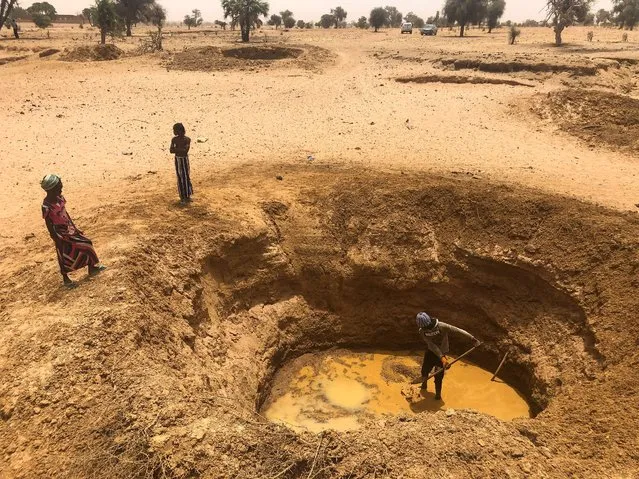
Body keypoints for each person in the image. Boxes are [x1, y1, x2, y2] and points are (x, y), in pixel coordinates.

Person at [41, 174, 106, 287]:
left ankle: (92, 267)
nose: (61, 188)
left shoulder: (59, 198)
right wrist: (55, 237)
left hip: (68, 228)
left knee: (86, 243)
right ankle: (66, 279)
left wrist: (75, 228)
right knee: (63, 253)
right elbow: (48, 222)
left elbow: (66, 214)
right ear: (52, 189)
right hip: (60, 233)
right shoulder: (46, 205)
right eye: (59, 186)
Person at [416, 312, 481, 400]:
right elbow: (431, 345)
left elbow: (457, 330)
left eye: (428, 327)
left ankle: (438, 395)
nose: (427, 330)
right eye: (424, 328)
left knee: (438, 376)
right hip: (431, 351)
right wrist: (442, 358)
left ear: (430, 322)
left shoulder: (442, 326)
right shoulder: (422, 331)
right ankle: (424, 385)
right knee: (424, 370)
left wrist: (472, 338)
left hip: (442, 350)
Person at [169, 123, 193, 204]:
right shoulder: (184, 140)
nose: (174, 132)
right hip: (179, 159)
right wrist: (180, 149)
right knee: (181, 177)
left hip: (182, 159)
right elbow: (172, 150)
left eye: (175, 130)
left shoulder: (185, 139)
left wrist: (177, 149)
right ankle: (184, 196)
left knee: (185, 177)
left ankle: (186, 196)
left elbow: (182, 150)